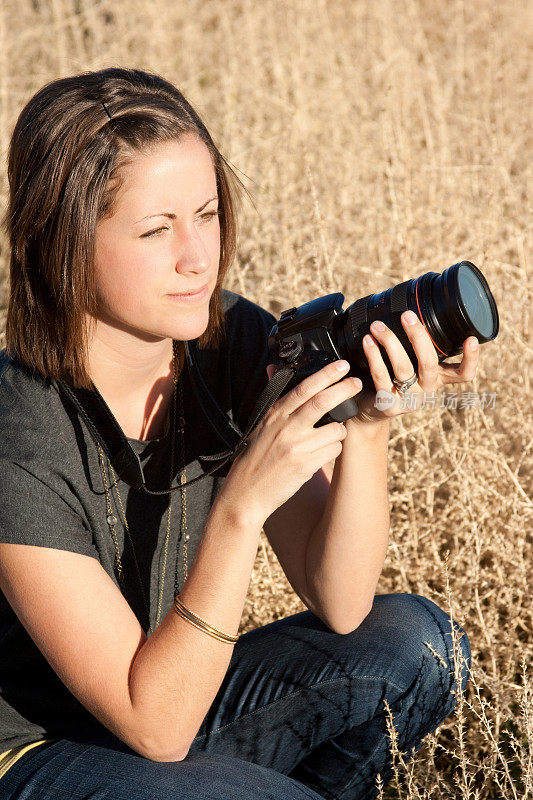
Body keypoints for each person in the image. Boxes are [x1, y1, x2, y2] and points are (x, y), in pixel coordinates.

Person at [0, 67, 474, 800]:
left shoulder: (231, 342)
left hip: (172, 691)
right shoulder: (16, 432)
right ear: (61, 243)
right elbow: (153, 727)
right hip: (37, 751)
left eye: (207, 213)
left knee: (414, 646)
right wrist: (239, 509)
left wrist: (370, 425)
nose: (198, 257)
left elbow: (340, 602)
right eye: (156, 230)